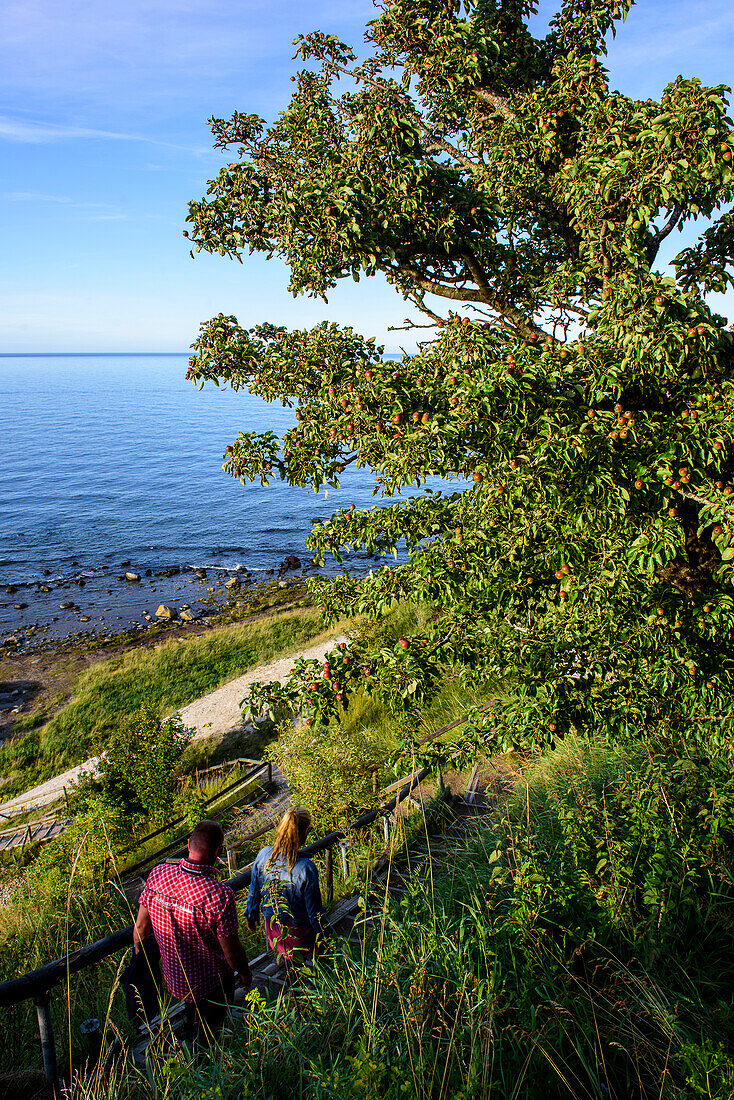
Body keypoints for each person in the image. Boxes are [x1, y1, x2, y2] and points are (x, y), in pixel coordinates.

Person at [133, 819, 251, 1040]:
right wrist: (244, 973)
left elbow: (140, 928)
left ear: (189, 844)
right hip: (211, 982)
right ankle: (210, 1054)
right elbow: (231, 952)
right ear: (216, 852)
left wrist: (141, 957)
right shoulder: (220, 895)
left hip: (175, 978)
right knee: (213, 1027)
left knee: (193, 1019)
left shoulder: (158, 874)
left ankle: (193, 1046)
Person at [246, 807, 325, 964]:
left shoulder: (263, 855)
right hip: (299, 936)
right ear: (305, 832)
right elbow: (314, 913)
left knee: (284, 964)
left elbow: (254, 892)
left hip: (274, 932)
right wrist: (325, 936)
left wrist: (251, 917)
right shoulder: (306, 868)